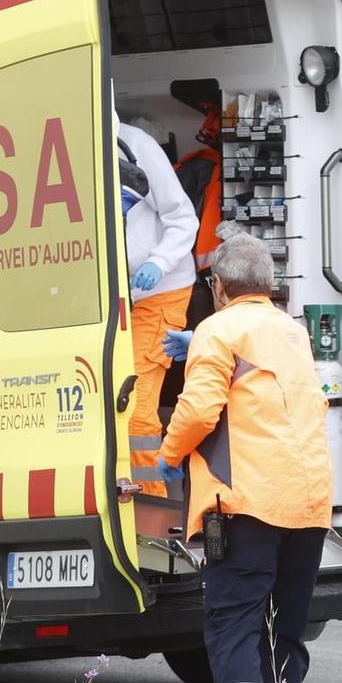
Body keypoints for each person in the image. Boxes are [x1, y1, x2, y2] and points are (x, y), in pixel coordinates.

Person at [155, 234, 333, 683]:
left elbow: (200, 408)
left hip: (248, 505)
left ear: (219, 286)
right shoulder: (292, 331)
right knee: (285, 625)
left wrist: (166, 456)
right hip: (306, 504)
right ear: (269, 286)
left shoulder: (219, 328)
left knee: (234, 625)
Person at [117, 114, 200, 499]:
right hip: (112, 298)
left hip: (159, 293)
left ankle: (150, 510)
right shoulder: (62, 146)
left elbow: (183, 218)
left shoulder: (136, 147)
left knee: (134, 409)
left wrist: (159, 261)